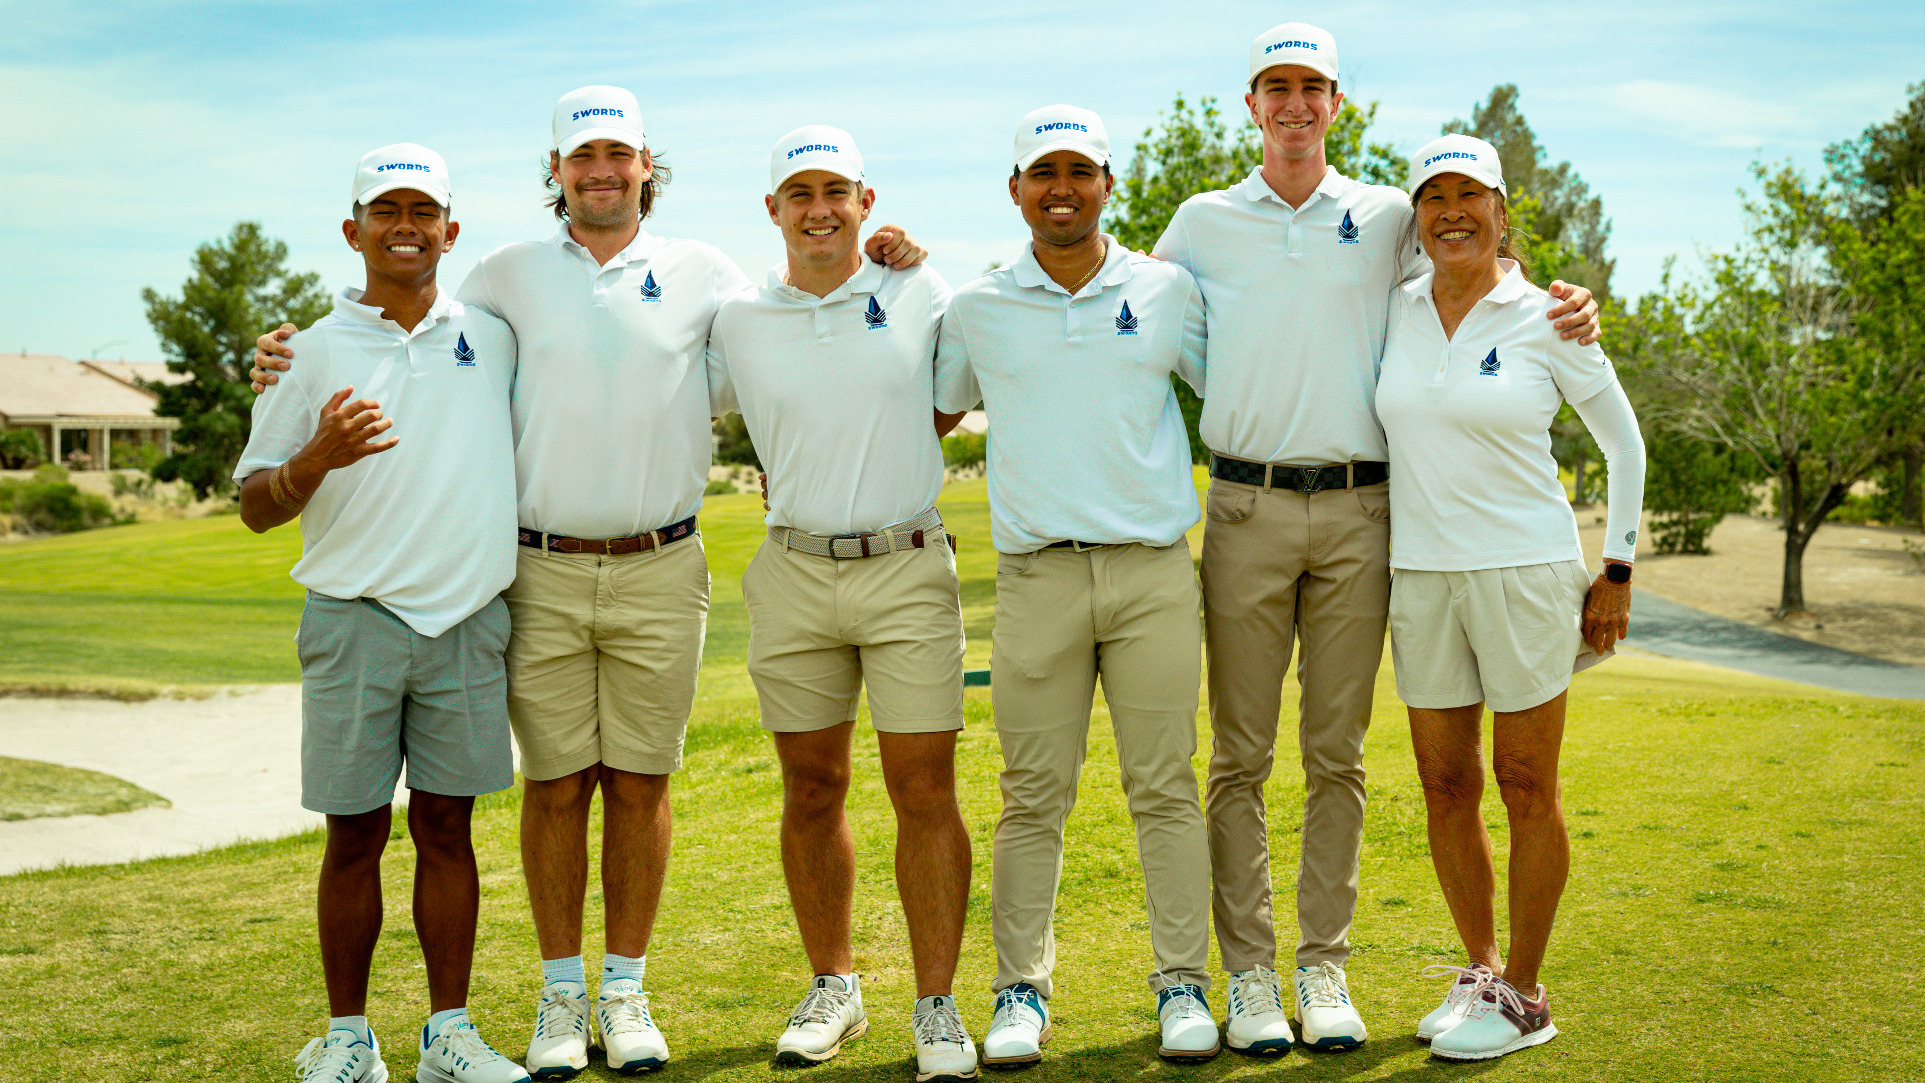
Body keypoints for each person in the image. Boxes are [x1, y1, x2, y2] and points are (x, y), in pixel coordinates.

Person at [249, 87, 927, 1079]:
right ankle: (562, 998)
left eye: (617, 152)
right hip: (539, 566)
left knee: (643, 784)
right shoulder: (501, 277)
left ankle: (624, 989)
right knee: (557, 784)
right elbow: (400, 313)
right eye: (580, 156)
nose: (600, 169)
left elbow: (802, 317)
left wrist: (888, 258)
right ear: (555, 171)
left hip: (663, 561)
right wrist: (287, 352)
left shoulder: (708, 275)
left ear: (645, 163)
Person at [1153, 22, 1600, 1052]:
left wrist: (1557, 302)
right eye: (1277, 87)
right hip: (1242, 507)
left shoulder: (1391, 211)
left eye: (1313, 88)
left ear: (1336, 105)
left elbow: (1474, 256)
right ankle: (1251, 978)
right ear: (1251, 103)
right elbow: (1135, 302)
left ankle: (1322, 973)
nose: (1295, 105)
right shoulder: (1201, 218)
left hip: (1365, 512)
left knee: (1337, 757)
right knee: (1236, 758)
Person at [236, 145, 530, 1083]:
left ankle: (449, 1035)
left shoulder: (495, 333)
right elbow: (255, 504)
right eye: (385, 209)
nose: (405, 224)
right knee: (353, 831)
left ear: (450, 228)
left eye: (424, 209)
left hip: (466, 620)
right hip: (354, 617)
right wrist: (313, 456)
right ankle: (348, 1038)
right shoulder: (306, 350)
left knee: (449, 828)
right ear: (353, 228)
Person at [935, 105, 1218, 1066]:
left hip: (1149, 575)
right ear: (1015, 189)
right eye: (1041, 172)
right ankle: (1020, 992)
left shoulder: (1167, 289)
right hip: (1036, 577)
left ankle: (1184, 984)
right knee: (1030, 795)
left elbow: (1237, 386)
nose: (1062, 188)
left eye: (1080, 171)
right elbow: (928, 409)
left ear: (1108, 182)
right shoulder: (977, 305)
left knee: (1165, 787)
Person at [704, 126, 976, 1081]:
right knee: (811, 787)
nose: (818, 208)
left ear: (866, 199)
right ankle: (835, 985)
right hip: (792, 571)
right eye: (798, 192)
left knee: (922, 788)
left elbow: (943, 403)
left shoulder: (919, 290)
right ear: (771, 211)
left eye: (835, 190)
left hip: (904, 566)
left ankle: (937, 1007)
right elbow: (641, 393)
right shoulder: (737, 317)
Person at [1375, 133, 1643, 1061]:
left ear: (1501, 211)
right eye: (1433, 195)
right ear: (1415, 216)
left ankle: (1526, 992)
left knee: (1524, 783)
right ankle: (1484, 969)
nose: (1451, 209)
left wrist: (1615, 569)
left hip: (1526, 573)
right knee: (1443, 784)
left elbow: (1624, 444)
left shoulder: (1549, 317)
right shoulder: (1392, 309)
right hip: (1420, 575)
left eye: (1469, 194)